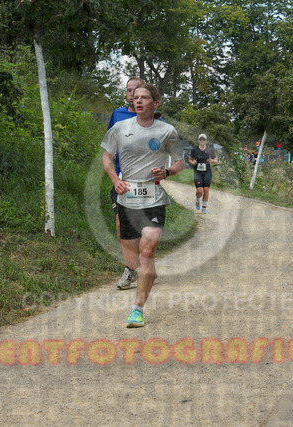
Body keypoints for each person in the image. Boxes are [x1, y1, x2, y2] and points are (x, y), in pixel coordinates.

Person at [101, 83, 185, 328]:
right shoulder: (120, 127)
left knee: (147, 252)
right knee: (135, 257)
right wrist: (115, 180)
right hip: (127, 197)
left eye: (144, 98)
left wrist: (167, 172)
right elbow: (106, 156)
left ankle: (137, 310)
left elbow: (180, 162)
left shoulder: (167, 131)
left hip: (153, 198)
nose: (138, 101)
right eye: (136, 97)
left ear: (155, 103)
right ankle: (147, 273)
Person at [108, 77, 144, 290]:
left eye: (135, 90)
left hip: (144, 179)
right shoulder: (117, 114)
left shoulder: (154, 116)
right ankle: (130, 270)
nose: (131, 94)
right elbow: (110, 143)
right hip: (122, 177)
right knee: (122, 223)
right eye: (128, 90)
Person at [188, 133, 218, 214]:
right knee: (200, 191)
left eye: (203, 139)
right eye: (200, 139)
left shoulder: (210, 149)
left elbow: (216, 160)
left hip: (207, 171)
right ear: (198, 140)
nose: (202, 141)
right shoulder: (194, 150)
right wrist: (193, 162)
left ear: (206, 141)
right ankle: (198, 199)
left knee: (206, 189)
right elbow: (190, 159)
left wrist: (212, 161)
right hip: (197, 171)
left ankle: (204, 207)